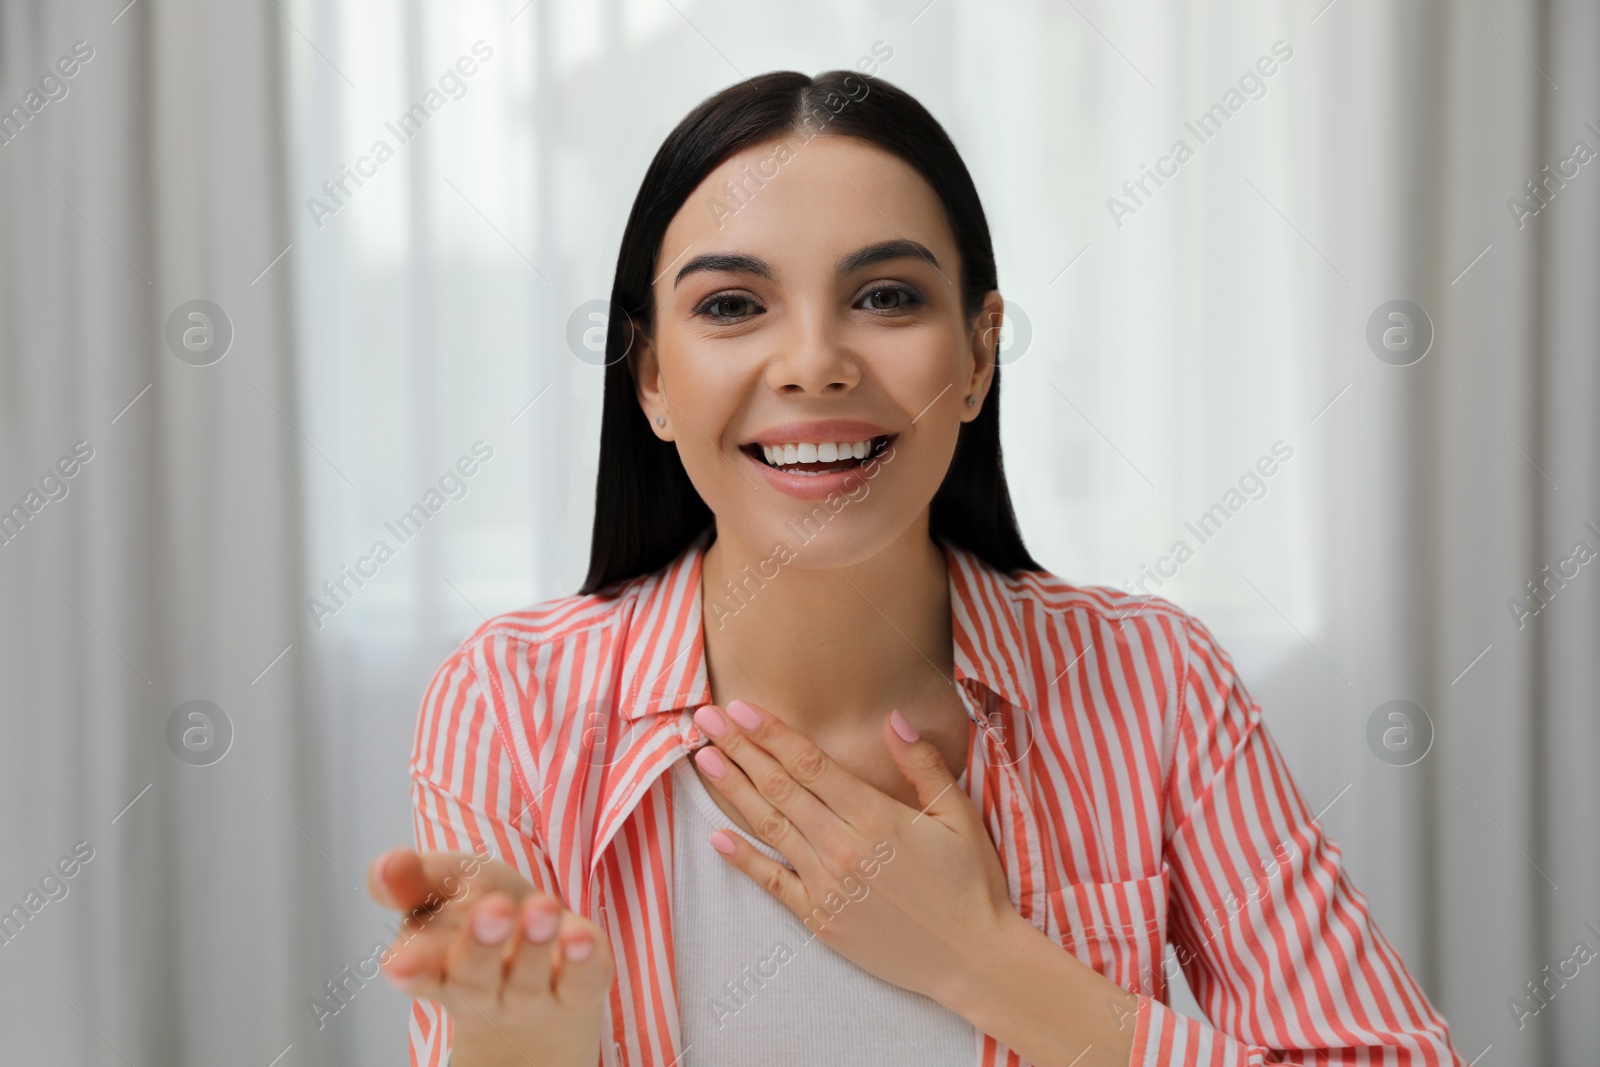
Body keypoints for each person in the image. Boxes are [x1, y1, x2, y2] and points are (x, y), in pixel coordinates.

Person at [364, 69, 1464, 1067]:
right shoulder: (510, 701)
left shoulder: (1152, 678)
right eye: (732, 305)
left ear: (980, 354)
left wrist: (983, 960)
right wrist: (527, 1044)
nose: (812, 363)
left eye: (885, 295)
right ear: (650, 375)